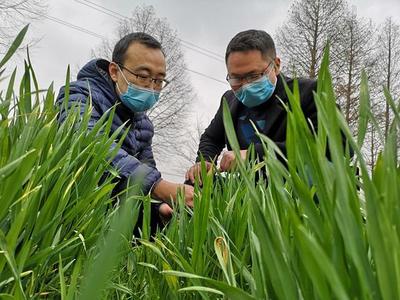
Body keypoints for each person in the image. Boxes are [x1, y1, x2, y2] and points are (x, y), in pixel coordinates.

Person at [56, 32, 193, 228]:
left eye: (159, 81)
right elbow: (87, 142)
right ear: (114, 71)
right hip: (71, 213)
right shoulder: (78, 96)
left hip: (110, 222)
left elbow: (146, 171)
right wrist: (159, 187)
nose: (151, 87)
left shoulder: (144, 124)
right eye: (143, 76)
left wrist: (159, 206)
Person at [186, 29, 318, 183]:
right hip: (247, 187)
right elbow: (211, 138)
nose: (246, 85)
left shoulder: (308, 92)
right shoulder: (229, 102)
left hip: (295, 186)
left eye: (254, 76)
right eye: (236, 78)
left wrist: (253, 155)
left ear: (276, 65)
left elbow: (333, 145)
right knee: (195, 184)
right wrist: (205, 161)